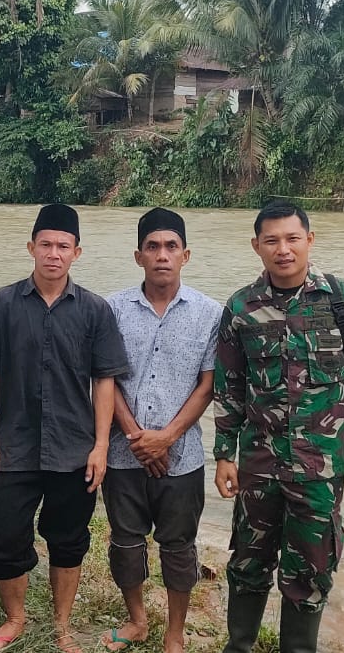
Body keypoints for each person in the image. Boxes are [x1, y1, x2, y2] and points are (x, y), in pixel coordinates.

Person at [213, 201, 344, 653]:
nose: (283, 249)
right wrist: (223, 454)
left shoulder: (342, 299)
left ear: (309, 240)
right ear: (256, 246)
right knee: (248, 564)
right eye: (271, 240)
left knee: (310, 571)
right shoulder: (241, 308)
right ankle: (239, 646)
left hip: (319, 468)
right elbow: (230, 386)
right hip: (259, 465)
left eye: (292, 238)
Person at [0, 204, 131, 653]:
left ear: (77, 252)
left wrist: (101, 446)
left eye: (63, 246)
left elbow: (105, 381)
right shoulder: (3, 303)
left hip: (74, 450)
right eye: (46, 245)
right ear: (31, 248)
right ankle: (15, 619)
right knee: (5, 536)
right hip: (15, 446)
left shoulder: (94, 310)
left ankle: (61, 626)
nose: (53, 254)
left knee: (69, 540)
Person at [100, 208, 222, 653]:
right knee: (125, 542)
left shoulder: (211, 313)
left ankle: (174, 632)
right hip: (122, 452)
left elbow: (208, 384)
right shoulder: (111, 310)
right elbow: (105, 378)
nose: (162, 255)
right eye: (152, 247)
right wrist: (137, 436)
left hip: (181, 456)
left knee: (178, 546)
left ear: (186, 255)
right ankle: (137, 620)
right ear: (138, 256)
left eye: (171, 247)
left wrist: (167, 436)